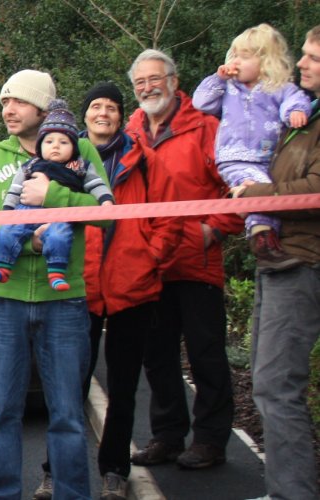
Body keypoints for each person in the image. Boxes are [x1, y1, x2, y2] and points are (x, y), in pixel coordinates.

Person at [0, 69, 107, 500]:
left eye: (19, 102)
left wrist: (54, 198)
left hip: (64, 300)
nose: (8, 109)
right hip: (3, 300)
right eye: (4, 101)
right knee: (3, 410)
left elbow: (105, 210)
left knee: (65, 412)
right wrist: (30, 241)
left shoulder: (80, 152)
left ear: (43, 110)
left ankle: (73, 494)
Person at [123, 49, 241, 473]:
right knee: (156, 353)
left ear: (174, 81)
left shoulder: (206, 127)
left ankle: (210, 440)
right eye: (139, 82)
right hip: (148, 262)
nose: (148, 88)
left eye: (155, 79)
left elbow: (237, 185)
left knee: (206, 352)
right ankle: (167, 436)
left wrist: (212, 229)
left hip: (195, 259)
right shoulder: (131, 130)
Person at [79, 78, 181, 499]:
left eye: (112, 107)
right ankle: (55, 470)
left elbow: (171, 219)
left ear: (123, 115)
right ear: (85, 114)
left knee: (122, 388)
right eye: (96, 105)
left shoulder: (145, 160)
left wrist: (147, 258)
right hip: (77, 289)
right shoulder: (63, 154)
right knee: (68, 387)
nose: (104, 113)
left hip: (131, 288)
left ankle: (114, 470)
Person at [238, 23, 320, 500]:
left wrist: (258, 193)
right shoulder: (305, 116)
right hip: (281, 261)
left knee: (275, 387)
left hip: (303, 264)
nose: (302, 64)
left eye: (312, 57)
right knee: (269, 383)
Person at [193, 23, 310, 259]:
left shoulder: (279, 88)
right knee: (257, 189)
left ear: (266, 61)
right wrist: (217, 78)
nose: (235, 61)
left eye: (243, 57)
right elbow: (201, 102)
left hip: (268, 158)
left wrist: (295, 112)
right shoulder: (228, 88)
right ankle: (262, 234)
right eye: (233, 55)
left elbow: (295, 100)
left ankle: (260, 227)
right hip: (234, 156)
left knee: (264, 192)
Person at [0, 99, 115, 292]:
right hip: (25, 212)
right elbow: (15, 188)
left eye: (63, 142)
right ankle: (3, 267)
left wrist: (106, 200)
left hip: (59, 216)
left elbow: (97, 185)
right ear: (40, 145)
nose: (55, 146)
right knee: (8, 231)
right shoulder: (30, 165)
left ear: (74, 147)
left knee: (59, 236)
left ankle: (56, 273)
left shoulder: (79, 166)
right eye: (49, 142)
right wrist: (8, 211)